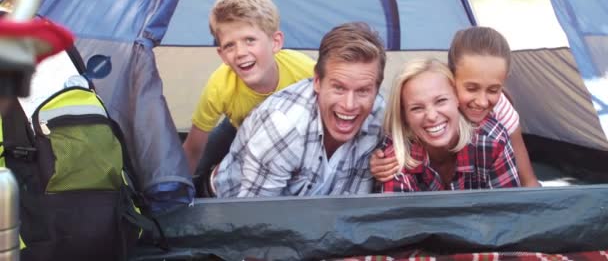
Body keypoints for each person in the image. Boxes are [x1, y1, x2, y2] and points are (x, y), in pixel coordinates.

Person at [212, 22, 386, 197]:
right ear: (317, 82)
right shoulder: (283, 126)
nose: (349, 105)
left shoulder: (378, 116)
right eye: (339, 88)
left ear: (376, 90)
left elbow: (355, 208)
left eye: (363, 91)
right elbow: (253, 218)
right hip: (225, 210)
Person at [371, 26, 540, 187]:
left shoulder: (500, 112)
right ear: (450, 77)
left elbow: (528, 180)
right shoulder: (430, 99)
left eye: (493, 90)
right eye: (471, 88)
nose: (482, 101)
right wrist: (379, 161)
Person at [182, 0, 316, 182]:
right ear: (221, 55)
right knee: (201, 166)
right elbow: (193, 147)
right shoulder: (220, 86)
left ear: (275, 42)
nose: (240, 52)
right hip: (239, 128)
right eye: (230, 45)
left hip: (295, 136)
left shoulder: (306, 72)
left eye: (250, 40)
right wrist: (176, 192)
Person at [379, 58, 520, 192]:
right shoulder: (395, 155)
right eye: (417, 108)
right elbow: (399, 215)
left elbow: (508, 212)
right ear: (404, 116)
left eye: (441, 101)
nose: (432, 116)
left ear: (457, 99)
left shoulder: (492, 140)